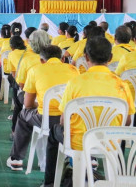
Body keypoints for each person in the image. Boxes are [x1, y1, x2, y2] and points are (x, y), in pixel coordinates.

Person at [42, 37, 135, 187]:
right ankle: (115, 176)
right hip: (110, 143)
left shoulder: (75, 82)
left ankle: (50, 182)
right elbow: (127, 121)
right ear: (110, 58)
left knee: (54, 133)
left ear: (86, 57)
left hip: (78, 142)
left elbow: (63, 120)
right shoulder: (121, 85)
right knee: (119, 133)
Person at [7, 46, 79, 171]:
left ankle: (16, 159)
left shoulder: (35, 70)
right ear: (62, 59)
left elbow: (28, 104)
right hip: (70, 120)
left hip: (46, 119)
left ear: (41, 60)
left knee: (23, 115)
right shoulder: (74, 70)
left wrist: (42, 104)